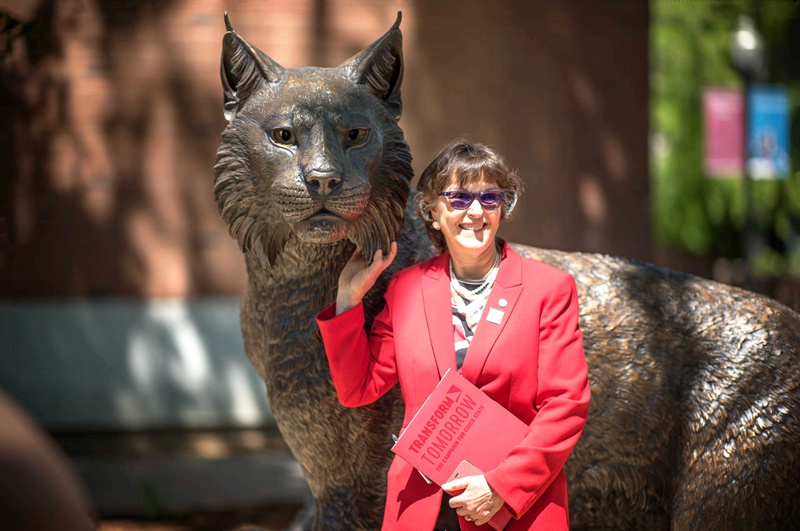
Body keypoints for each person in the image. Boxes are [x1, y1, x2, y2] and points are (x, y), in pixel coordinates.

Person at [317, 138, 590, 530]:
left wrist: (501, 486)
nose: (475, 211)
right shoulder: (406, 288)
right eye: (459, 198)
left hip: (514, 511)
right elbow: (358, 387)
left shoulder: (549, 289)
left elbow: (566, 404)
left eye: (490, 198)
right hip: (421, 510)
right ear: (432, 211)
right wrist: (348, 299)